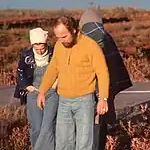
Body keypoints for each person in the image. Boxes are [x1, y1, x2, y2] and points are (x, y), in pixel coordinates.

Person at [36, 15, 110, 150]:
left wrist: (103, 98)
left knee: (84, 143)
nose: (61, 40)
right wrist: (42, 91)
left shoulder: (90, 46)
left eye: (64, 36)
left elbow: (102, 72)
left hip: (84, 101)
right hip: (63, 101)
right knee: (63, 143)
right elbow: (53, 68)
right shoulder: (59, 45)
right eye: (58, 37)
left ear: (74, 30)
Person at [79, 9, 133, 150]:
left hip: (84, 89)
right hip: (104, 89)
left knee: (85, 123)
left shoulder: (80, 38)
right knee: (99, 122)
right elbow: (114, 66)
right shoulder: (106, 37)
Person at [13, 27, 59, 150]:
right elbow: (20, 72)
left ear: (46, 43)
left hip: (51, 92)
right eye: (36, 48)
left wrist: (56, 84)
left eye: (42, 48)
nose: (39, 51)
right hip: (34, 93)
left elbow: (62, 69)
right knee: (37, 127)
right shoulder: (26, 55)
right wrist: (28, 87)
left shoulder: (55, 52)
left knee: (48, 125)